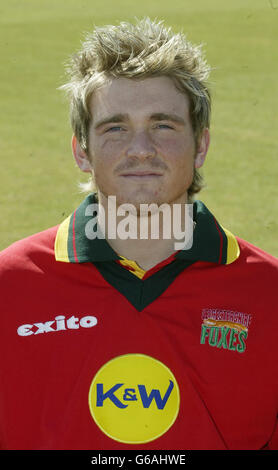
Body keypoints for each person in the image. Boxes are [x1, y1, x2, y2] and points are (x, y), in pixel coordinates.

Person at [0, 17, 277, 451]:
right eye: (115, 127)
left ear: (201, 144)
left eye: (163, 125)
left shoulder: (267, 291)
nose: (140, 148)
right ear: (82, 151)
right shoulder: (11, 285)